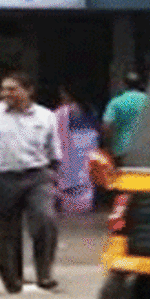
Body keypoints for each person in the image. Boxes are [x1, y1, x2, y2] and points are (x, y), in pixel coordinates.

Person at [0, 72, 60, 293]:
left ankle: (44, 272)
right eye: (4, 89)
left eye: (12, 89)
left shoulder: (46, 116)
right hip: (3, 177)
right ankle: (11, 278)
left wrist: (53, 178)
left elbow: (54, 152)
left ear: (29, 91)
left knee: (45, 219)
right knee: (6, 230)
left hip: (37, 175)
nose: (6, 94)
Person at [52, 85, 97, 217]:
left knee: (71, 174)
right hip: (89, 145)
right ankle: (86, 203)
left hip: (72, 145)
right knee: (86, 175)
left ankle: (72, 204)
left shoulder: (65, 111)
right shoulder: (89, 109)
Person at [101, 71, 149, 168]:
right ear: (140, 84)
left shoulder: (116, 102)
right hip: (144, 151)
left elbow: (107, 126)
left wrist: (106, 147)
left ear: (124, 84)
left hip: (121, 150)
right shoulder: (149, 100)